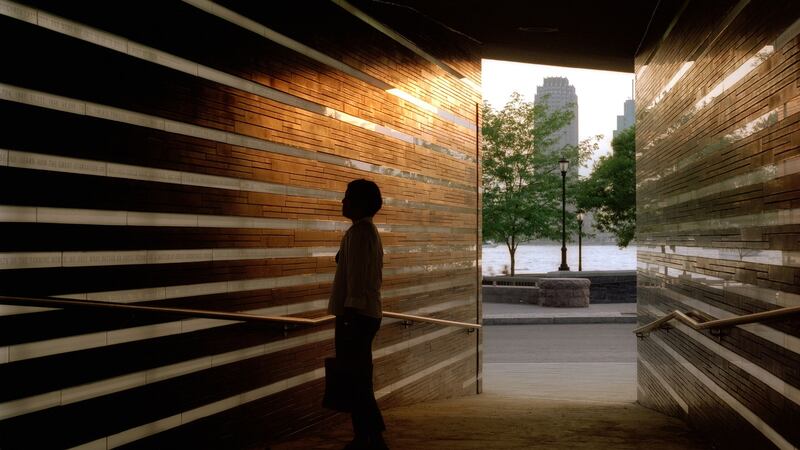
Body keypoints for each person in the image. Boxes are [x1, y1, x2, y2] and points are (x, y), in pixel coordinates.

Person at [328, 179, 388, 450]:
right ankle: (366, 437)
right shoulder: (364, 231)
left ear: (359, 203)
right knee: (358, 378)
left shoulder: (360, 233)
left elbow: (357, 280)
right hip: (365, 314)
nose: (342, 201)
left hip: (356, 315)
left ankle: (372, 438)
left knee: (357, 380)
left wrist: (349, 317)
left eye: (347, 197)